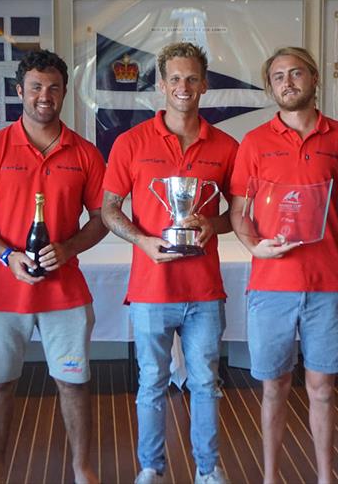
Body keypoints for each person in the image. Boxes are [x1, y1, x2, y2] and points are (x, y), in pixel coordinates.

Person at [0, 49, 105, 484]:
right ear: (20, 91)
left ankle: (82, 470)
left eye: (54, 88)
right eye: (37, 87)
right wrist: (7, 255)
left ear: (65, 93)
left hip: (65, 292)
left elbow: (102, 218)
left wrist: (69, 247)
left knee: (73, 383)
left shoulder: (84, 153)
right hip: (3, 293)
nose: (45, 96)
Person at [229, 47, 338, 484]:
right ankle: (271, 477)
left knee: (322, 390)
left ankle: (325, 477)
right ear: (270, 87)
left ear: (313, 79)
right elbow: (238, 212)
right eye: (277, 77)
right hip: (271, 286)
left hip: (326, 286)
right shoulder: (254, 142)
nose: (287, 82)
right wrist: (255, 246)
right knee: (273, 388)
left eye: (295, 74)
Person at [101, 42, 237, 484]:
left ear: (205, 84)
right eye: (175, 79)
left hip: (203, 290)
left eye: (192, 78)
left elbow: (237, 214)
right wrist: (142, 240)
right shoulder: (130, 143)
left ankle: (207, 469)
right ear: (160, 85)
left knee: (204, 384)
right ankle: (152, 469)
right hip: (150, 288)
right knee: (151, 386)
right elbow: (108, 209)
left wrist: (212, 225)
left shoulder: (227, 146)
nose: (184, 87)